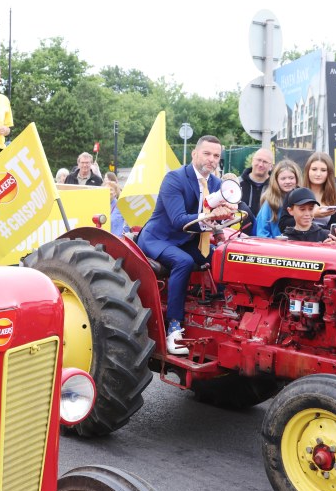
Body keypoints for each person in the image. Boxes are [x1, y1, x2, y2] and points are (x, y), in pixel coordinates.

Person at [136, 135, 237, 355]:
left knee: (221, 256)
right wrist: (211, 215)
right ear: (194, 154)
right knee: (184, 261)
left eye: (216, 156)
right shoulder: (174, 179)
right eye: (207, 153)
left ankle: (226, 310)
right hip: (160, 238)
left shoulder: (216, 184)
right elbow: (178, 220)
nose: (211, 159)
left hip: (187, 239)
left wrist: (230, 210)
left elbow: (237, 207)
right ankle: (173, 326)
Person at [279, 152, 336, 232]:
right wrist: (313, 215)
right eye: (314, 169)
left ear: (329, 173)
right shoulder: (294, 194)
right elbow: (283, 226)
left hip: (324, 242)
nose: (318, 174)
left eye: (323, 170)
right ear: (308, 170)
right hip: (298, 241)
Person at [256, 159, 301, 238]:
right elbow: (262, 232)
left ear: (296, 179)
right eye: (283, 179)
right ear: (276, 181)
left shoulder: (302, 200)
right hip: (274, 247)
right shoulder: (270, 202)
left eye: (291, 178)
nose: (287, 181)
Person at [239, 148, 273, 223]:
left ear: (271, 167)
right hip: (239, 232)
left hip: (265, 233)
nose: (261, 164)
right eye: (258, 160)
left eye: (265, 162)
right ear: (252, 161)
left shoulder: (275, 187)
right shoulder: (238, 184)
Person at [104, 171, 126, 236]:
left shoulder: (120, 205)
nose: (109, 191)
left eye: (111, 189)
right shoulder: (100, 205)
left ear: (115, 193)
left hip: (117, 239)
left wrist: (125, 231)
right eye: (106, 189)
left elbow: (129, 221)